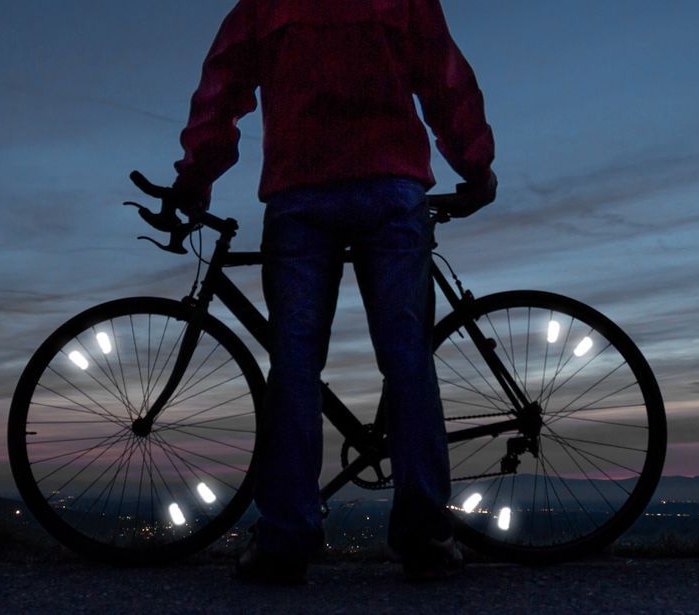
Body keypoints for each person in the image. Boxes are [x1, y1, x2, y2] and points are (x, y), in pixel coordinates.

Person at [169, 0, 496, 583]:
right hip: (390, 187)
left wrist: (195, 178)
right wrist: (476, 167)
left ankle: (285, 538)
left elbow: (220, 92)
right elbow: (448, 82)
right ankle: (425, 535)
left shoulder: (263, 7)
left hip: (300, 191)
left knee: (293, 366)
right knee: (408, 361)